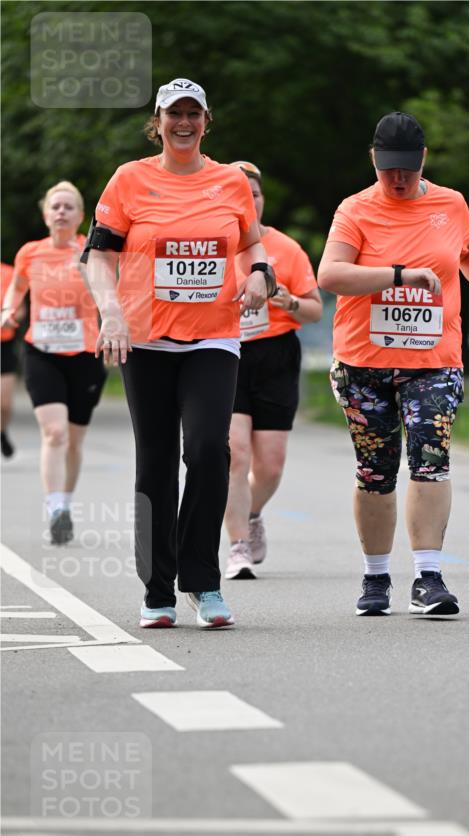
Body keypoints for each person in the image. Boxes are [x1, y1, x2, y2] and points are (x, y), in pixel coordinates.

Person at [83, 79, 275, 629]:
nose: (184, 123)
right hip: (144, 340)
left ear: (207, 122)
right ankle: (157, 590)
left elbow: (251, 244)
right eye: (174, 114)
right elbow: (99, 257)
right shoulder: (130, 179)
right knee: (156, 464)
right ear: (158, 121)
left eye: (194, 113)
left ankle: (203, 582)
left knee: (211, 452)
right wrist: (111, 312)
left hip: (213, 337)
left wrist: (259, 273)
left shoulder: (230, 181)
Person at [318, 111, 469, 617]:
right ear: (373, 160)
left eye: (407, 168)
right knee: (375, 471)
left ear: (423, 159)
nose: (398, 178)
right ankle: (375, 578)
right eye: (388, 169)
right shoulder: (355, 209)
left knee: (431, 457)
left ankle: (428, 577)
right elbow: (331, 275)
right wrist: (399, 275)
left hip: (433, 361)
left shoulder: (451, 203)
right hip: (364, 362)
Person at [224, 161, 322, 579]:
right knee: (235, 454)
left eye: (255, 194)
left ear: (262, 200)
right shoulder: (214, 245)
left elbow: (315, 310)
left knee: (270, 466)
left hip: (276, 356)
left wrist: (289, 301)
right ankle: (237, 547)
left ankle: (252, 513)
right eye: (240, 195)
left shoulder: (286, 248)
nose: (249, 202)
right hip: (226, 353)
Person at [2, 182, 106, 541]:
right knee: (55, 432)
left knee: (74, 440)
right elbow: (17, 287)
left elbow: (111, 294)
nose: (61, 212)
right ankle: (56, 508)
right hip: (42, 352)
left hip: (85, 355)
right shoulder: (30, 253)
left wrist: (88, 274)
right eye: (55, 206)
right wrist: (8, 310)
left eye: (68, 207)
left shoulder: (92, 253)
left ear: (80, 215)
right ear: (45, 214)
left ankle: (66, 502)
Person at [1, 261, 25, 458]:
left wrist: (11, 318)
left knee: (5, 404)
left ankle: (2, 432)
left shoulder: (8, 273)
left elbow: (21, 308)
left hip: (4, 344)